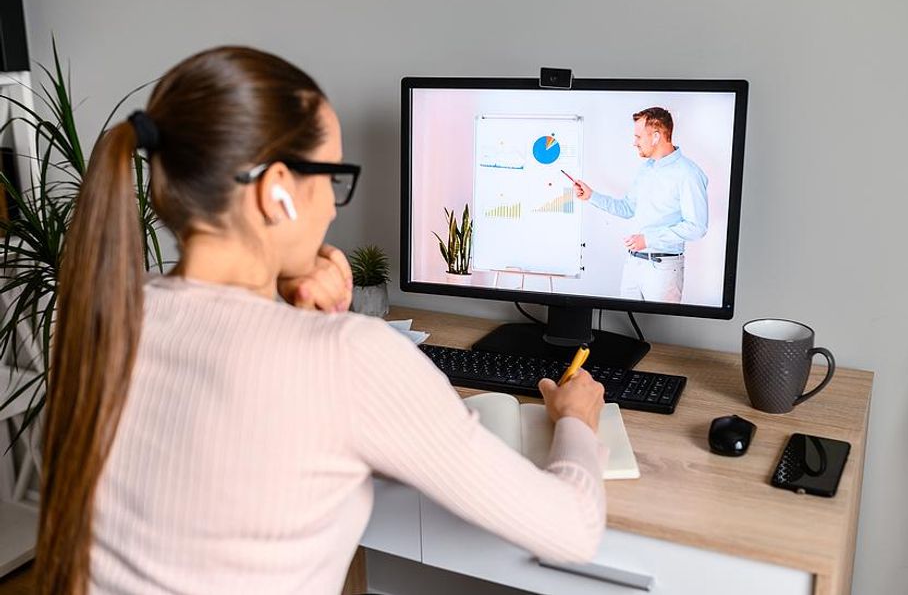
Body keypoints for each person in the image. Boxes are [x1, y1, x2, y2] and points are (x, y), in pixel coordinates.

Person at [35, 47, 607, 595]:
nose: (334, 207)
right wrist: (576, 421)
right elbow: (572, 530)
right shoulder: (346, 358)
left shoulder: (101, 315)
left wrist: (306, 315)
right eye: (332, 179)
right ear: (277, 191)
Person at [573, 107, 708, 303]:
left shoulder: (689, 174)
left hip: (663, 269)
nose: (634, 142)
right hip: (633, 264)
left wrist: (649, 239)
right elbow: (628, 208)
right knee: (627, 323)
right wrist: (591, 196)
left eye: (638, 137)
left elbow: (697, 227)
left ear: (655, 136)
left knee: (658, 328)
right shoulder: (646, 169)